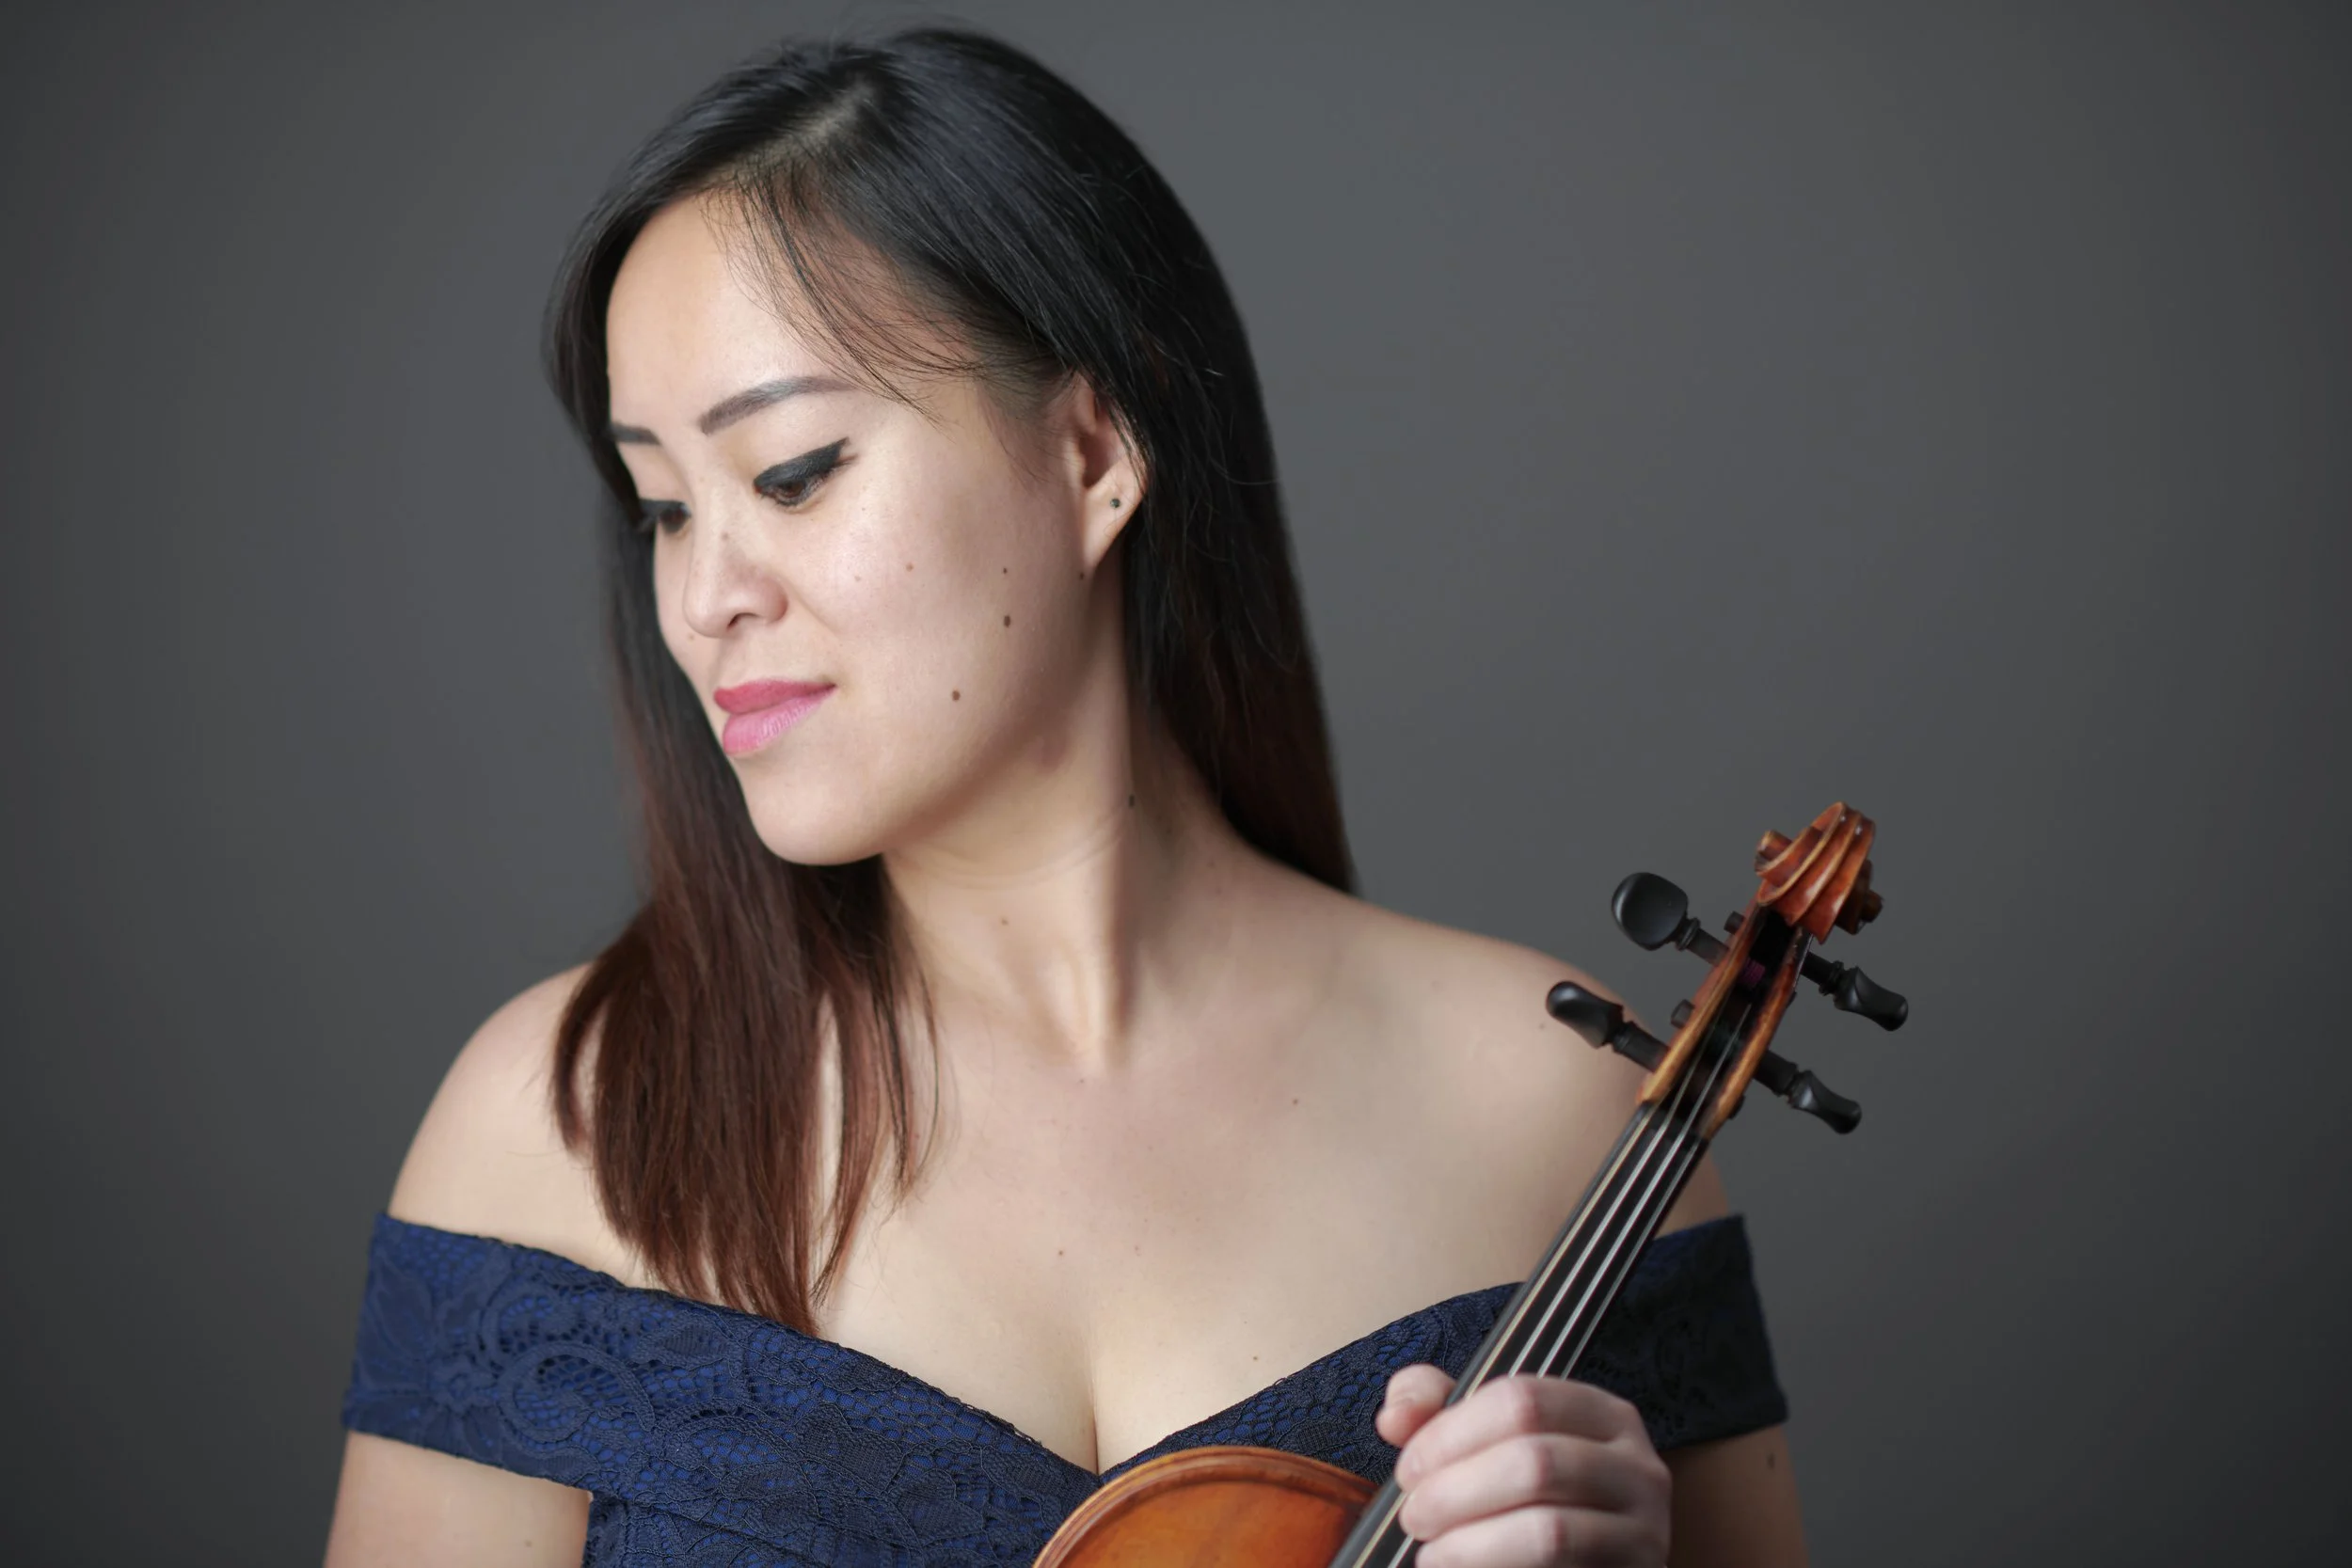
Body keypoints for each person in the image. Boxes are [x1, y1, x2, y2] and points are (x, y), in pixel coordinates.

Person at [323, 27, 1805, 1568]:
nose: (703, 597)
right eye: (661, 507)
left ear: (1095, 452)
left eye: (792, 471)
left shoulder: (1556, 1105)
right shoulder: (559, 1124)